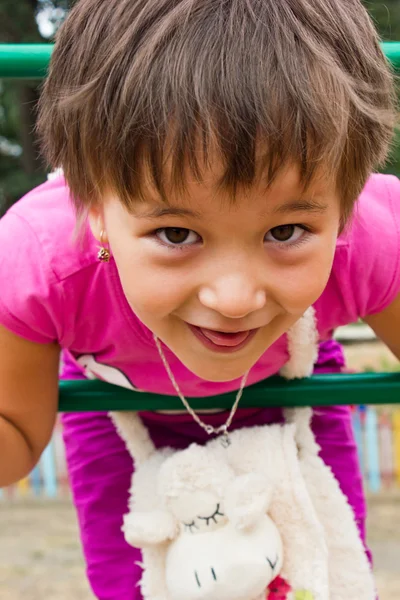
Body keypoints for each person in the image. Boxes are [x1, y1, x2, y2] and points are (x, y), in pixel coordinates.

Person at [0, 0, 399, 597]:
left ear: (344, 208)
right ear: (95, 209)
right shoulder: (41, 265)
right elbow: (18, 437)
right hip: (117, 414)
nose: (234, 298)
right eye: (177, 234)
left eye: (285, 232)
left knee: (325, 580)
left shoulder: (370, 241)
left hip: (292, 399)